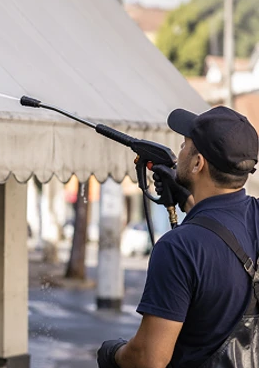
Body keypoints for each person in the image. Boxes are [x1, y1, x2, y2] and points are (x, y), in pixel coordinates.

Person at [98, 106, 259, 368]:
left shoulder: (179, 248)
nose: (178, 153)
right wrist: (188, 200)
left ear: (198, 164)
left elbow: (148, 359)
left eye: (185, 145)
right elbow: (226, 234)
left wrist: (111, 353)